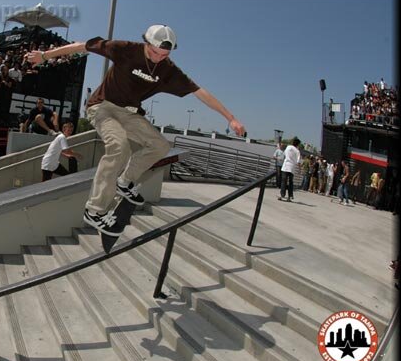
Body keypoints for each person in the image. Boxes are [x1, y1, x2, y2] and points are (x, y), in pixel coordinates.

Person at [26, 24, 246, 236]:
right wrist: (45, 56)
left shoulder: (168, 70)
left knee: (160, 146)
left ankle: (125, 181)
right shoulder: (124, 49)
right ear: (146, 42)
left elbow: (199, 91)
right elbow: (82, 46)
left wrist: (230, 117)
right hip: (102, 107)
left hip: (129, 113)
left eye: (164, 55)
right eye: (154, 52)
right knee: (119, 146)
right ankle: (94, 210)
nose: (158, 57)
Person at [278, 138, 301, 202]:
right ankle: (290, 196)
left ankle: (282, 195)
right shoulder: (297, 151)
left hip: (285, 166)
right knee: (291, 182)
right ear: (298, 144)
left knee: (283, 182)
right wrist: (300, 169)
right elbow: (298, 161)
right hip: (292, 168)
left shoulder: (288, 147)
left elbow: (284, 154)